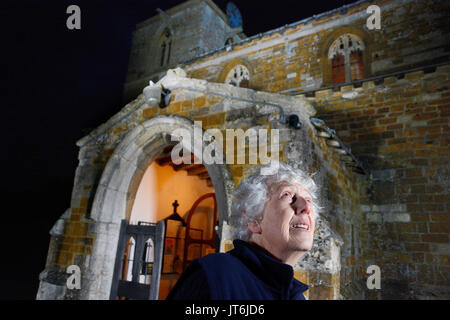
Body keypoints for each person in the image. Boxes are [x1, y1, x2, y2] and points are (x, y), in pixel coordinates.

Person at [166, 162, 320, 300]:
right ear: (253, 221)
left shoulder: (296, 296)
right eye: (287, 195)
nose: (306, 207)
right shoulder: (215, 276)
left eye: (308, 200)